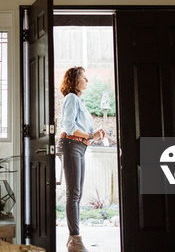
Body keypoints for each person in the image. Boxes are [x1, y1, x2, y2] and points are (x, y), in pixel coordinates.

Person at [59, 66, 105, 252]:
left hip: (79, 147)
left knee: (76, 194)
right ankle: (75, 239)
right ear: (74, 80)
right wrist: (90, 135)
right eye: (84, 78)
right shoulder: (71, 98)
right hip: (71, 145)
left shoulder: (79, 101)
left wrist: (93, 135)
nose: (87, 81)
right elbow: (69, 126)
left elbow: (83, 131)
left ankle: (74, 240)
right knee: (73, 193)